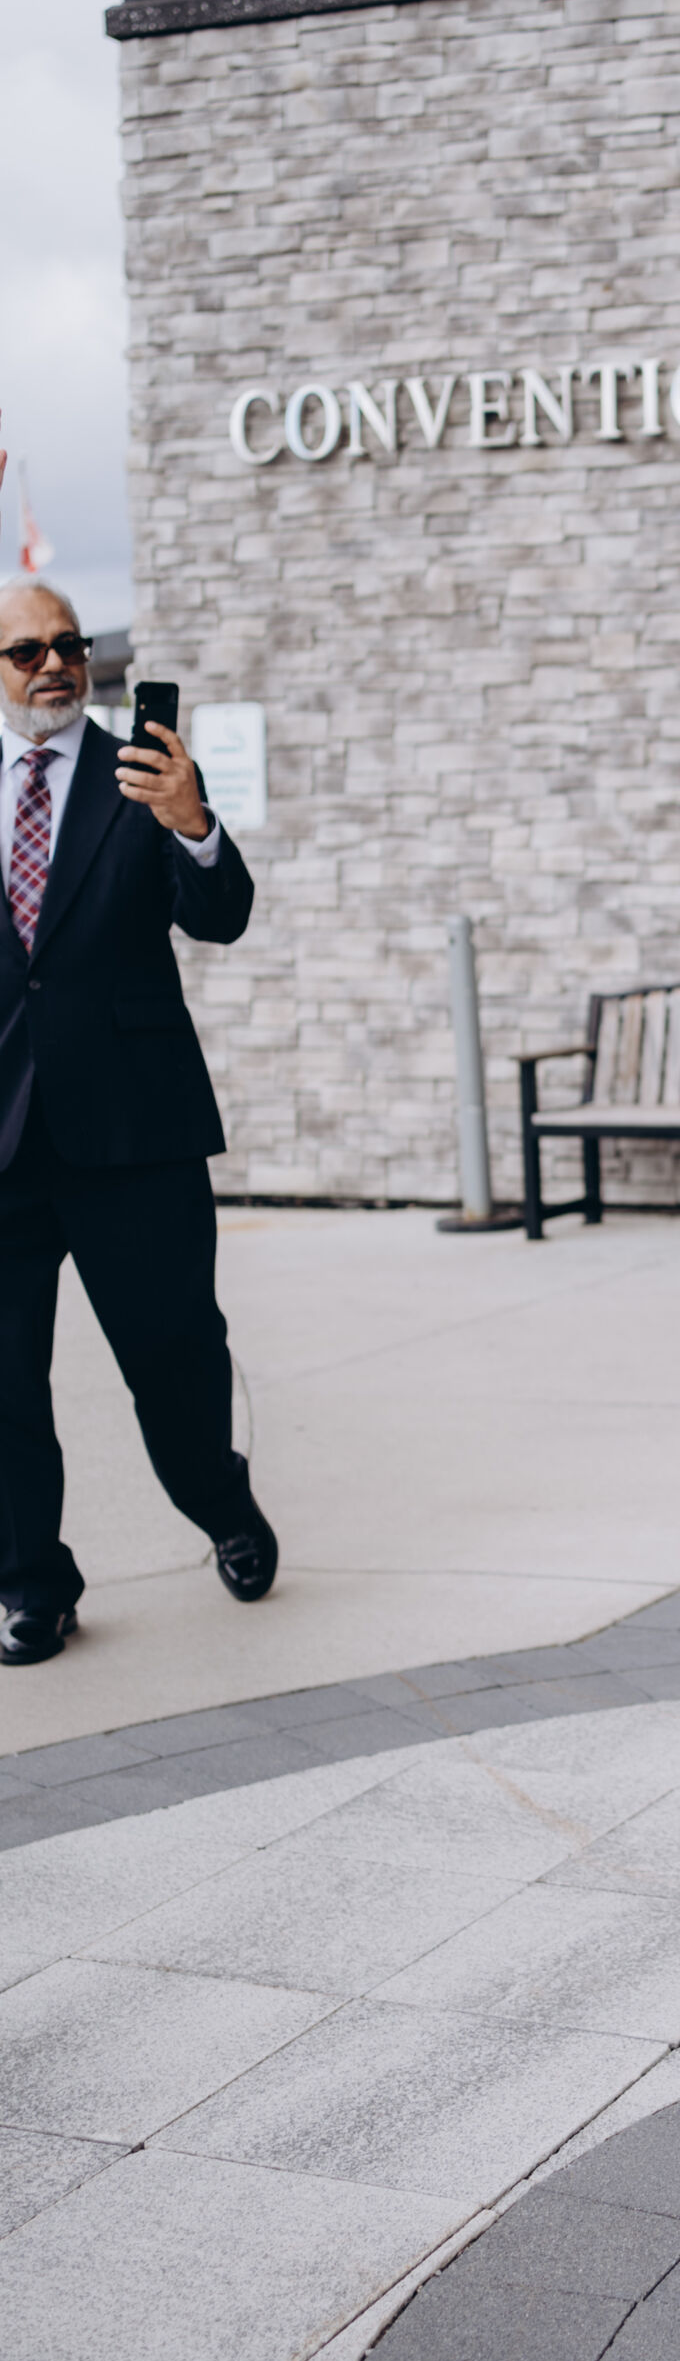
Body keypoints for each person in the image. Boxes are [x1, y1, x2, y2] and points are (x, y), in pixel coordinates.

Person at [0, 573, 276, 1665]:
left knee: (174, 1357)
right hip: (3, 1147)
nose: (56, 665)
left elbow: (222, 916)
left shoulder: (143, 776)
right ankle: (31, 1582)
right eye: (27, 651)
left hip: (134, 1133)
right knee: (3, 1390)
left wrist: (193, 823)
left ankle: (223, 1505)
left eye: (69, 644)